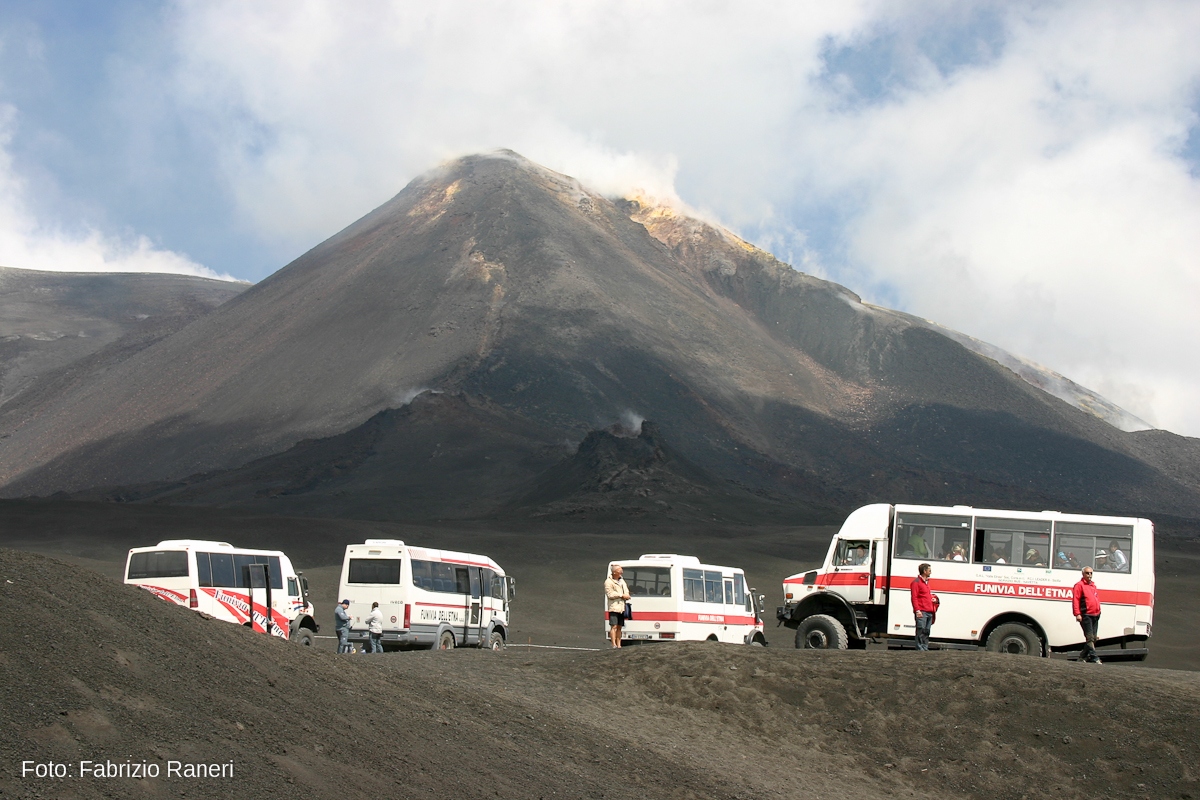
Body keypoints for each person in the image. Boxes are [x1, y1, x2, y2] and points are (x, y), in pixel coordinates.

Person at [1072, 566, 1102, 664]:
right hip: (1086, 614)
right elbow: (1075, 600)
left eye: (1091, 573)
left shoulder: (1093, 585)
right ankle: (1094, 657)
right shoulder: (1079, 585)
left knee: (1094, 637)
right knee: (1089, 637)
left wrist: (1099, 610)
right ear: (1083, 574)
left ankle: (1082, 657)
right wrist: (1077, 614)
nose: (1089, 575)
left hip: (1096, 614)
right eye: (1087, 573)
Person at [910, 563, 938, 651]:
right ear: (924, 571)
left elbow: (925, 595)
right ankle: (920, 647)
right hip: (922, 611)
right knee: (921, 630)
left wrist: (933, 599)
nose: (931, 572)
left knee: (926, 631)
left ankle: (925, 647)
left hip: (929, 611)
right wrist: (917, 610)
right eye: (929, 570)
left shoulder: (926, 583)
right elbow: (914, 597)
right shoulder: (916, 583)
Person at [604, 564, 631, 649]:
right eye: (620, 570)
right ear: (614, 572)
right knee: (614, 626)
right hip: (614, 607)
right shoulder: (608, 582)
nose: (621, 572)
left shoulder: (622, 581)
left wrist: (627, 595)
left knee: (619, 626)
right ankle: (613, 644)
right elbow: (610, 594)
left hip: (621, 607)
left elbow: (626, 590)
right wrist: (622, 595)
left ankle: (619, 644)